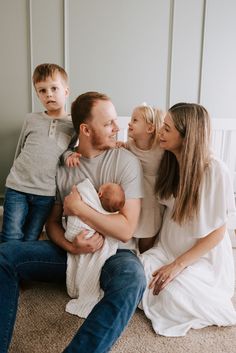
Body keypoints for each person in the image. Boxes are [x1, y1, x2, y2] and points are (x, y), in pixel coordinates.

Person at [0, 91, 146, 353]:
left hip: (114, 254)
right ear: (85, 129)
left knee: (133, 278)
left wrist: (80, 208)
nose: (118, 127)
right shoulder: (64, 166)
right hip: (71, 251)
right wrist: (71, 247)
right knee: (4, 255)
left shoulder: (125, 162)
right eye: (108, 123)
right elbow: (53, 223)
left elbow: (126, 230)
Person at [139, 103, 236, 336]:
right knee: (140, 273)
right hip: (167, 247)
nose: (160, 132)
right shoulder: (169, 160)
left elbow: (218, 232)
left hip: (200, 257)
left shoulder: (215, 170)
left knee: (173, 295)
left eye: (167, 129)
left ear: (186, 136)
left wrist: (177, 265)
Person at [0, 63, 75, 242]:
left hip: (46, 192)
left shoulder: (72, 125)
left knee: (32, 236)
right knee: (11, 234)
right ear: (37, 94)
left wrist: (68, 155)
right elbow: (20, 149)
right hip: (18, 187)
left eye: (54, 88)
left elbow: (68, 151)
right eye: (42, 91)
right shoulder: (31, 119)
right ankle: (7, 268)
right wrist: (13, 175)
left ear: (66, 91)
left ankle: (25, 269)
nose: (48, 94)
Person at [65, 178, 125, 318]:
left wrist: (76, 190)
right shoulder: (110, 213)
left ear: (99, 194)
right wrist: (73, 248)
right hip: (76, 242)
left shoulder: (88, 191)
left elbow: (77, 191)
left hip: (79, 233)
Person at [117, 104, 164, 253]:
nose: (129, 123)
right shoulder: (129, 145)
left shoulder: (160, 148)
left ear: (150, 129)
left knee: (149, 231)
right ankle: (131, 252)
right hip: (134, 193)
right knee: (133, 225)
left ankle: (145, 254)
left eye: (135, 120)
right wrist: (121, 146)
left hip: (152, 195)